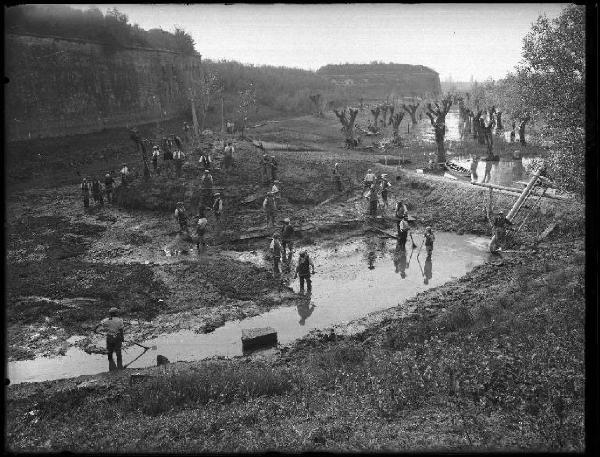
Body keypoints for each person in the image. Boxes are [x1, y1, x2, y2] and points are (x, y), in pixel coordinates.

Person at [93, 307, 124, 371]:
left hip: (110, 337)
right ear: (116, 313)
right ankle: (120, 368)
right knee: (118, 352)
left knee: (110, 352)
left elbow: (98, 325)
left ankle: (111, 368)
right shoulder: (120, 320)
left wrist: (95, 330)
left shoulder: (107, 320)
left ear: (110, 314)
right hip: (117, 337)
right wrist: (122, 337)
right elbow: (121, 330)